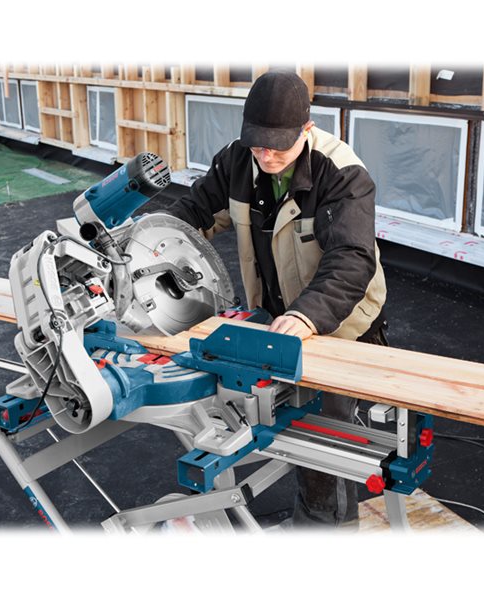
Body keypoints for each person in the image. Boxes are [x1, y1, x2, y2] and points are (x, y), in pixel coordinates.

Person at [163, 70, 388, 528]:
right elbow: (194, 213)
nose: (265, 156)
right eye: (257, 145)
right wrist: (151, 245)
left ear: (306, 130)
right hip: (278, 316)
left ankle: (327, 530)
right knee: (287, 425)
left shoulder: (342, 172)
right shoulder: (236, 161)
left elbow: (351, 259)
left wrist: (308, 316)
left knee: (324, 440)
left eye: (277, 147)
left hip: (340, 323)